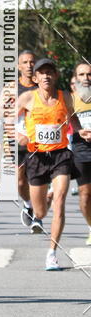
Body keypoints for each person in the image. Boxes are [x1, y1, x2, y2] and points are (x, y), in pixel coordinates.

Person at [17, 58, 84, 270]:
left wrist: (80, 131)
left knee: (60, 199)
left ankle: (52, 253)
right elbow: (6, 121)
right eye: (41, 73)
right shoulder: (27, 97)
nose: (46, 76)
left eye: (50, 72)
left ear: (55, 76)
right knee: (41, 212)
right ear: (35, 78)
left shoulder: (66, 97)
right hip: (36, 157)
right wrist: (19, 134)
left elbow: (74, 121)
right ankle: (37, 207)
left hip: (60, 155)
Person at [3, 51, 37, 228]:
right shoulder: (11, 88)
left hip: (39, 139)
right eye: (25, 62)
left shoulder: (42, 87)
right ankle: (28, 204)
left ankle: (38, 214)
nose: (29, 65)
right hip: (17, 139)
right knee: (20, 180)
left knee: (37, 178)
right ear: (18, 66)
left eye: (32, 62)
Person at [70, 63, 91, 244]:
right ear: (76, 78)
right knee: (85, 194)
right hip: (81, 149)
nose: (86, 78)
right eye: (82, 74)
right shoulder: (70, 99)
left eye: (89, 74)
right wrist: (79, 131)